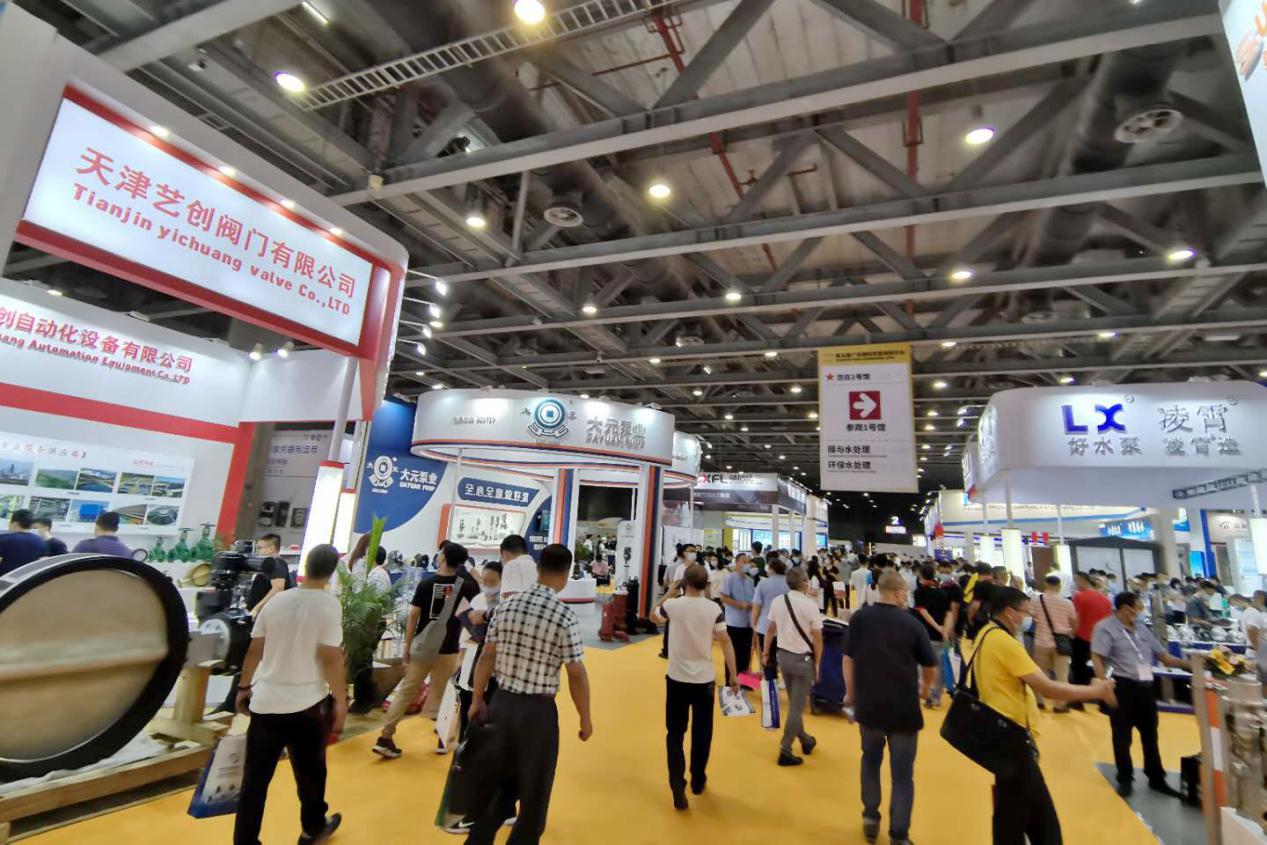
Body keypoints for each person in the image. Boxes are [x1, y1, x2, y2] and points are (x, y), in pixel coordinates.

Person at [464, 544, 592, 845]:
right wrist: (585, 717)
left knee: (496, 785)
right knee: (534, 795)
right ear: (566, 573)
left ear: (538, 569)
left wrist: (477, 699)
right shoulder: (564, 616)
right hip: (537, 715)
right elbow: (576, 673)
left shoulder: (506, 608)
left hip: (501, 704)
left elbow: (487, 657)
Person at [973, 587, 1116, 845]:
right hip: (1013, 735)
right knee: (1035, 813)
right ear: (1010, 612)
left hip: (999, 731)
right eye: (1025, 613)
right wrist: (1095, 691)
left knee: (1013, 810)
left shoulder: (985, 633)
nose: (1027, 618)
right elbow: (1047, 688)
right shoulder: (1005, 643)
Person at [232, 543, 345, 845]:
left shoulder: (277, 603)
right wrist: (341, 699)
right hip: (307, 706)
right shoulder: (329, 605)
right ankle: (312, 828)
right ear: (332, 572)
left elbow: (255, 650)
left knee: (255, 780)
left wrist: (243, 687)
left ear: (305, 566)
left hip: (265, 703)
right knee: (311, 774)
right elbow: (330, 657)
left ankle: (245, 841)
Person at [845, 570, 936, 845]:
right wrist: (925, 689)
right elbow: (930, 665)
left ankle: (870, 818)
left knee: (870, 761)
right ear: (898, 593)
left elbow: (848, 659)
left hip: (869, 706)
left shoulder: (860, 618)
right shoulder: (912, 624)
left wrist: (851, 693)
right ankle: (899, 834)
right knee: (903, 774)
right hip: (904, 710)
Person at [373, 542, 478, 758]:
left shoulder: (426, 584)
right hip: (448, 648)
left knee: (406, 692)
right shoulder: (466, 586)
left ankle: (385, 737)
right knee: (445, 694)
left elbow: (414, 615)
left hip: (422, 648)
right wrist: (468, 567)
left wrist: (407, 645)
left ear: (444, 558)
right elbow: (478, 589)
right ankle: (443, 739)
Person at [651, 564, 738, 810]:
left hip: (676, 679)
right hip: (704, 681)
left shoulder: (673, 605)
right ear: (706, 584)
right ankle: (698, 778)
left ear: (685, 583)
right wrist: (733, 675)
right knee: (702, 733)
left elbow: (652, 615)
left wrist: (669, 593)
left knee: (675, 733)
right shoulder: (714, 609)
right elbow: (725, 641)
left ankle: (676, 783)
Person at [1092, 592, 1188, 798]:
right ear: (1127, 608)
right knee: (1122, 735)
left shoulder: (1142, 628)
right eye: (1139, 606)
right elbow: (1097, 657)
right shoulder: (1105, 628)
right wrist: (1104, 686)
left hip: (1146, 687)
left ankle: (1156, 777)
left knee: (1150, 734)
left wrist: (1191, 665)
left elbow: (1164, 657)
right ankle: (1125, 778)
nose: (1141, 610)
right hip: (1122, 687)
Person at [762, 567, 822, 767]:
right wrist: (818, 663)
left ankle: (805, 739)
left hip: (783, 657)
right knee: (797, 707)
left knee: (794, 702)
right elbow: (817, 638)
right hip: (803, 660)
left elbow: (770, 630)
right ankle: (785, 750)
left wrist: (765, 652)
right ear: (804, 583)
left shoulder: (778, 601)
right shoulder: (810, 605)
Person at [1031, 575, 1079, 713]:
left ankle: (1039, 701)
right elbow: (1074, 623)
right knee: (1062, 676)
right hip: (1062, 643)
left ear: (1045, 584)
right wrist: (1069, 633)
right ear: (1059, 586)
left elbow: (1034, 618)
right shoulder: (1067, 603)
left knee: (1040, 673)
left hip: (1041, 641)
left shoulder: (1036, 600)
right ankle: (1060, 705)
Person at [912, 564, 953, 707]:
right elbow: (949, 613)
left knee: (923, 665)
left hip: (924, 633)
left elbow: (922, 611)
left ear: (921, 575)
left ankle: (926, 692)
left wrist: (937, 626)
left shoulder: (919, 592)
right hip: (940, 635)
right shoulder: (942, 592)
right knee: (939, 666)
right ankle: (936, 696)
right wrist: (945, 630)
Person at [1071, 572, 1112, 693]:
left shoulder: (1079, 596)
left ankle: (1080, 696)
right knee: (1098, 669)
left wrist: (1071, 633)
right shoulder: (1106, 600)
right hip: (1100, 640)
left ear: (1082, 580)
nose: (1075, 584)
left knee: (1080, 670)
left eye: (1076, 580)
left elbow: (1077, 619)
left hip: (1082, 638)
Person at [719, 553, 756, 683]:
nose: (747, 564)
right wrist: (738, 604)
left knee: (745, 654)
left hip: (748, 622)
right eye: (744, 561)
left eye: (748, 562)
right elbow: (724, 598)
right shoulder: (729, 578)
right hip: (733, 622)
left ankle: (744, 682)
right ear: (737, 562)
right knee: (732, 653)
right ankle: (730, 682)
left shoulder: (750, 581)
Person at [751, 557, 790, 679]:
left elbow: (756, 606)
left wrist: (753, 623)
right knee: (785, 655)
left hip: (765, 626)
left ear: (772, 569)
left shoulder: (763, 584)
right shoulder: (790, 583)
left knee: (767, 655)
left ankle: (771, 681)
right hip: (787, 626)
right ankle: (784, 679)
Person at [0, 508, 51, 575]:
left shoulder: (4, 539)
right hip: (27, 580)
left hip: (5, 579)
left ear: (15, 523)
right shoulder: (41, 541)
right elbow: (43, 563)